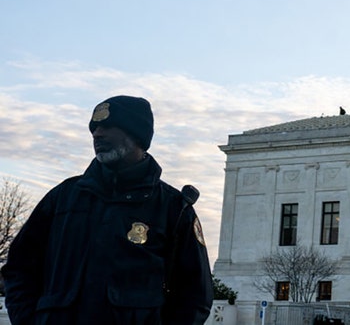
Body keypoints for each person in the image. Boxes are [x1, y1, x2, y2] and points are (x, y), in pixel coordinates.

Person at [1, 95, 213, 325]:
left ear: (136, 135)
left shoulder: (173, 208)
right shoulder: (62, 197)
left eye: (107, 126)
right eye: (94, 127)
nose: (97, 134)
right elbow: (19, 268)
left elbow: (195, 295)